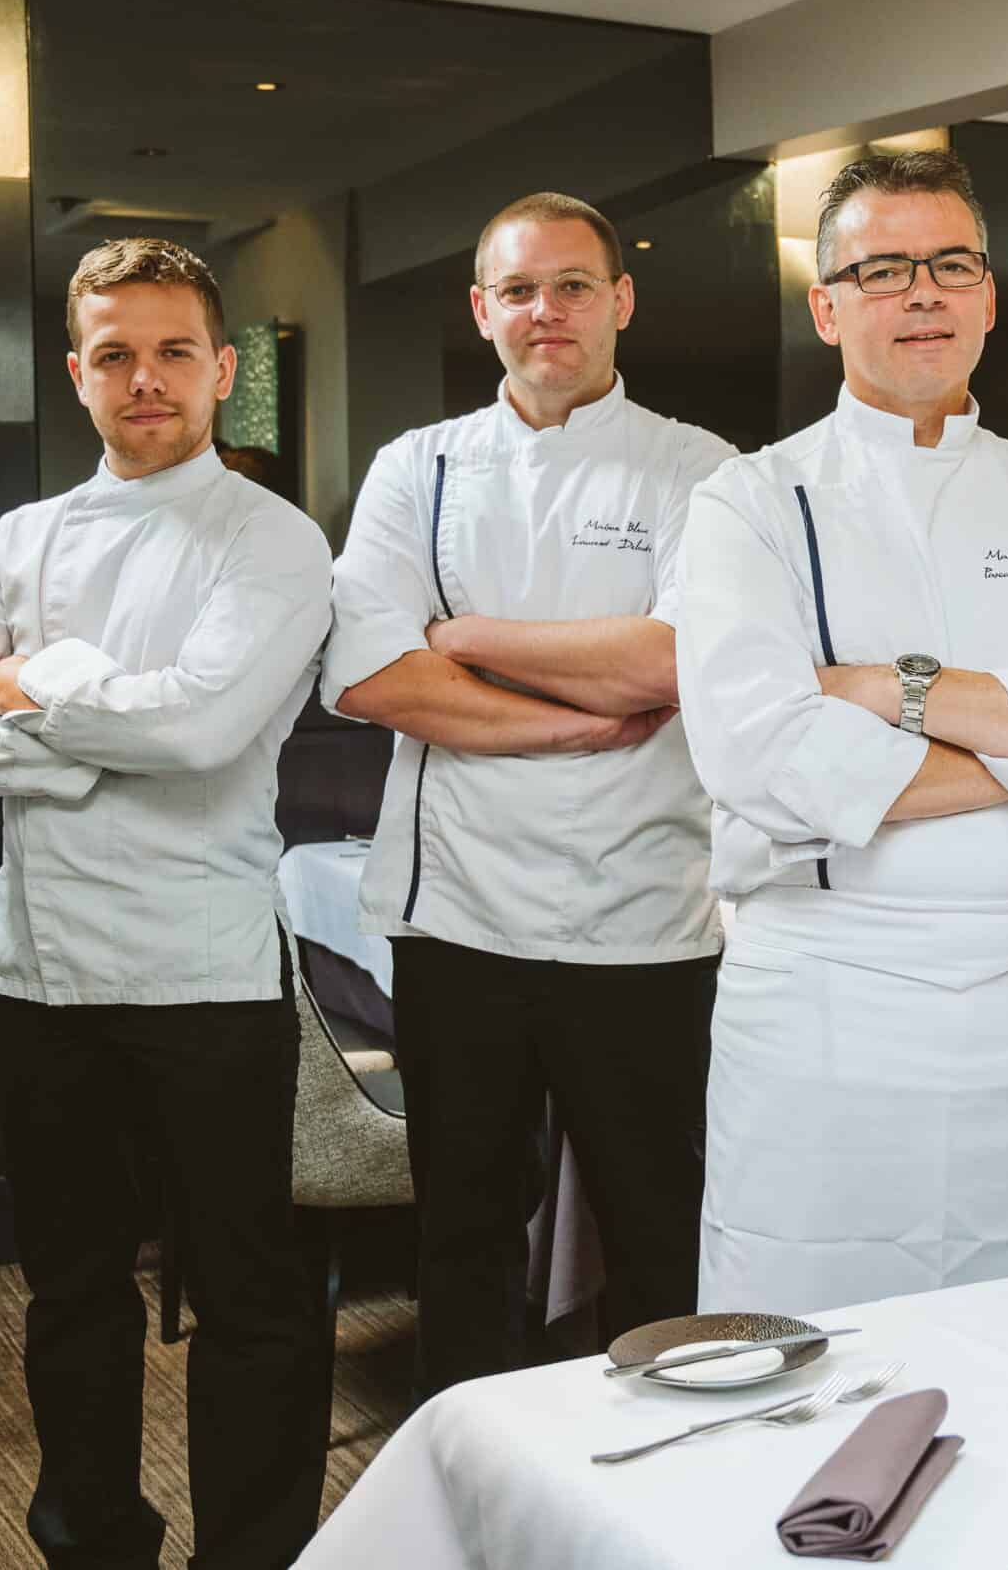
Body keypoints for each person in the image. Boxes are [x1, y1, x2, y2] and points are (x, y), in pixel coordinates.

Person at [678, 150, 1008, 1316]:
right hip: (827, 988)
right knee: (807, 1329)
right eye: (882, 269)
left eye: (951, 264)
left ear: (989, 296)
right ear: (826, 307)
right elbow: (760, 759)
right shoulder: (749, 503)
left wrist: (882, 686)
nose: (923, 292)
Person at [0, 238, 333, 1570]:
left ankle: (253, 1552)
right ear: (76, 371)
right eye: (116, 354)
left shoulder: (274, 537)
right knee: (73, 1292)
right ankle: (91, 1544)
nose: (145, 378)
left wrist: (39, 686)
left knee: (252, 1291)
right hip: (34, 976)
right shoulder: (15, 540)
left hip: (206, 973)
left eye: (173, 351)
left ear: (220, 368)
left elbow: (206, 728)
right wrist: (107, 715)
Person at [324, 192, 736, 1392]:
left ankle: (672, 1463)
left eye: (570, 285)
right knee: (461, 1230)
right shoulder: (420, 465)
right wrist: (573, 727)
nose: (544, 310)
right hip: (459, 916)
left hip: (646, 916)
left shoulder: (700, 468)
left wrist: (469, 635)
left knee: (661, 1223)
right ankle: (475, 1468)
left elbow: (673, 659)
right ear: (481, 310)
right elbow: (368, 674)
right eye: (518, 289)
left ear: (621, 301)